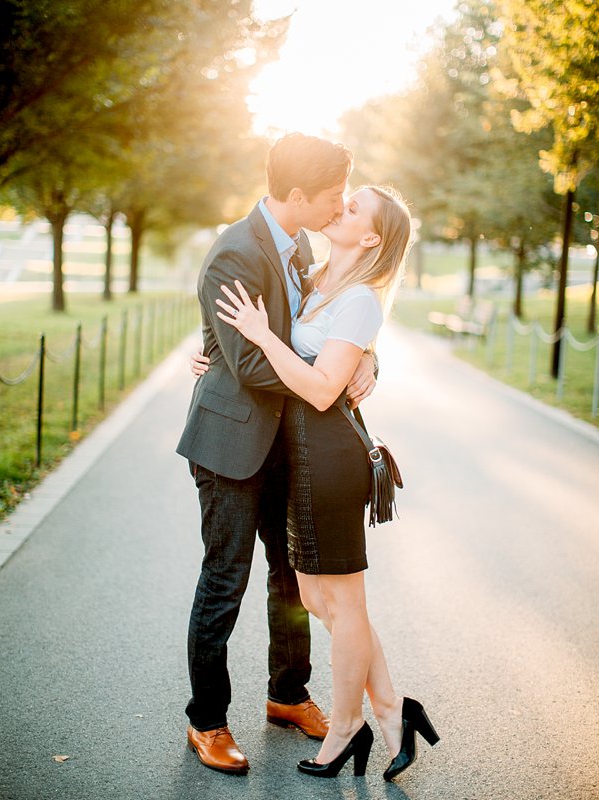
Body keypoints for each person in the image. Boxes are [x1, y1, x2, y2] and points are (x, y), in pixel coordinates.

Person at [215, 184, 440, 780]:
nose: (338, 206)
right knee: (325, 601)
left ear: (370, 237)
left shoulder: (361, 298)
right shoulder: (314, 279)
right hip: (302, 457)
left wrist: (263, 336)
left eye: (353, 206)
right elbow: (326, 354)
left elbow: (319, 388)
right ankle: (394, 710)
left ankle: (347, 729)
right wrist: (219, 356)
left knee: (342, 603)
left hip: (332, 457)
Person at [176, 133, 379, 775]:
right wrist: (328, 377)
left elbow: (329, 317)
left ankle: (287, 695)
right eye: (332, 198)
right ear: (297, 196)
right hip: (232, 444)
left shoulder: (300, 248)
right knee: (224, 580)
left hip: (288, 446)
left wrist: (362, 357)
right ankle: (206, 720)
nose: (338, 207)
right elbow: (246, 362)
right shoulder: (234, 252)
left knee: (290, 577)